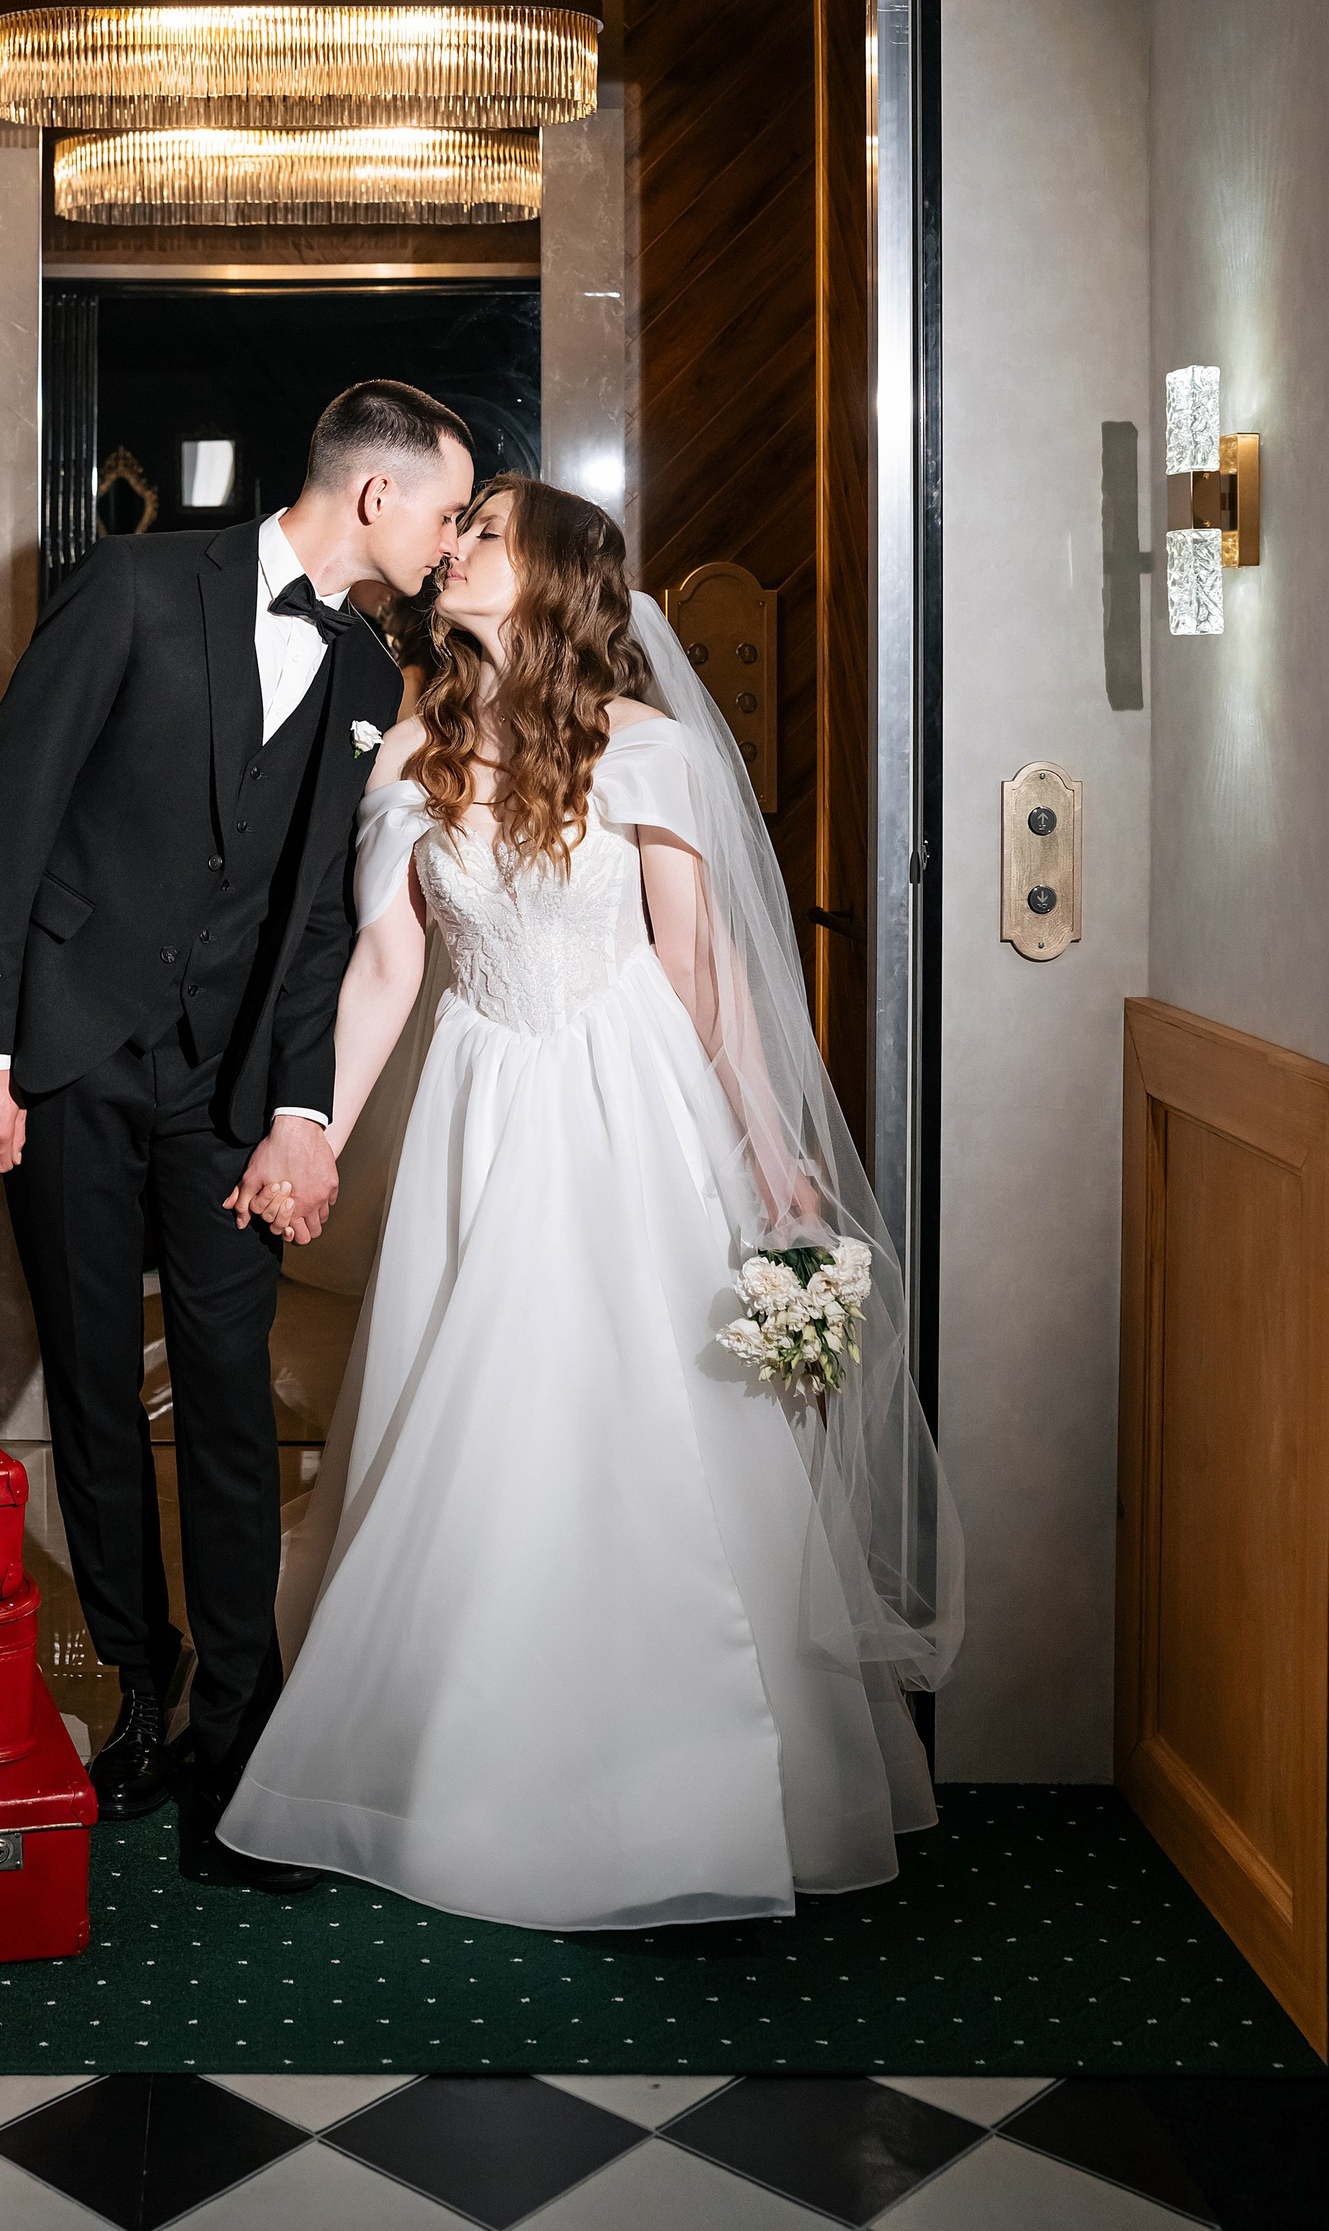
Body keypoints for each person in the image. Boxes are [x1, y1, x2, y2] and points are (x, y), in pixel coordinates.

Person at [221, 474, 963, 1928]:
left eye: (487, 532)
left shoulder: (649, 750)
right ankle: (466, 1771)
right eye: (458, 528)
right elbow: (385, 970)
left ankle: (683, 1786)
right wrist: (314, 1139)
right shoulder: (412, 751)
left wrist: (769, 1149)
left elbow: (700, 969)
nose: (454, 548)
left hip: (630, 1108)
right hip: (478, 1103)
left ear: (558, 574)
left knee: (646, 1426)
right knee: (479, 1415)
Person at [0, 381, 475, 1892]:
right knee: (94, 1385)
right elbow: (12, 811)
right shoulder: (132, 587)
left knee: (230, 1394)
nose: (449, 540)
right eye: (445, 511)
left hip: (228, 1091)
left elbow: (317, 926)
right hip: (69, 1059)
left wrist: (300, 1109)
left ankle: (242, 1731)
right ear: (377, 495)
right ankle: (138, 1682)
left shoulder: (367, 666)